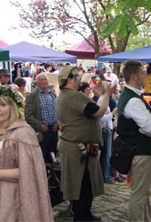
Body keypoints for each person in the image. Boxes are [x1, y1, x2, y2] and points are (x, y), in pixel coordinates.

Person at [0, 85, 53, 221]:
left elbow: (30, 171)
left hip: (13, 197)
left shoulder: (23, 132)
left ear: (12, 107)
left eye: (2, 104)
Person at [56, 65, 116, 222]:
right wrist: (107, 94)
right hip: (78, 149)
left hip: (75, 147)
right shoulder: (74, 96)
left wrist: (96, 97)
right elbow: (99, 112)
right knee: (82, 185)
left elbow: (86, 111)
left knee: (83, 184)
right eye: (76, 79)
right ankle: (82, 216)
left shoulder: (64, 95)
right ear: (70, 80)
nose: (78, 81)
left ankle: (83, 213)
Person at [117, 60, 151, 222]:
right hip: (139, 152)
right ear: (134, 76)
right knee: (139, 194)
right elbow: (149, 128)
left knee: (143, 193)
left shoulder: (131, 96)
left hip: (140, 151)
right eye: (142, 73)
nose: (145, 76)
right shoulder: (133, 100)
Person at [25, 73, 58, 162]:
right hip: (42, 132)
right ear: (36, 83)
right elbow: (28, 115)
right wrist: (40, 126)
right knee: (42, 157)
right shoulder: (32, 96)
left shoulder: (52, 94)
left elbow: (58, 110)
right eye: (41, 80)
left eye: (45, 79)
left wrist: (57, 123)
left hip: (54, 130)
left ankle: (52, 174)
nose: (44, 82)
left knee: (52, 156)